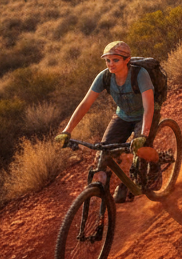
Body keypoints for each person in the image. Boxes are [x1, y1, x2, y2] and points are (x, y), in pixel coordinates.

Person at [54, 40, 155, 203]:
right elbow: (86, 103)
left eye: (115, 60)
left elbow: (149, 105)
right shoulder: (104, 77)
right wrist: (67, 130)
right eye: (108, 60)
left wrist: (144, 134)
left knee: (140, 149)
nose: (110, 64)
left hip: (144, 113)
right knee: (103, 152)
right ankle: (105, 191)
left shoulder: (140, 74)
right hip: (123, 115)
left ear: (127, 60)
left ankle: (155, 166)